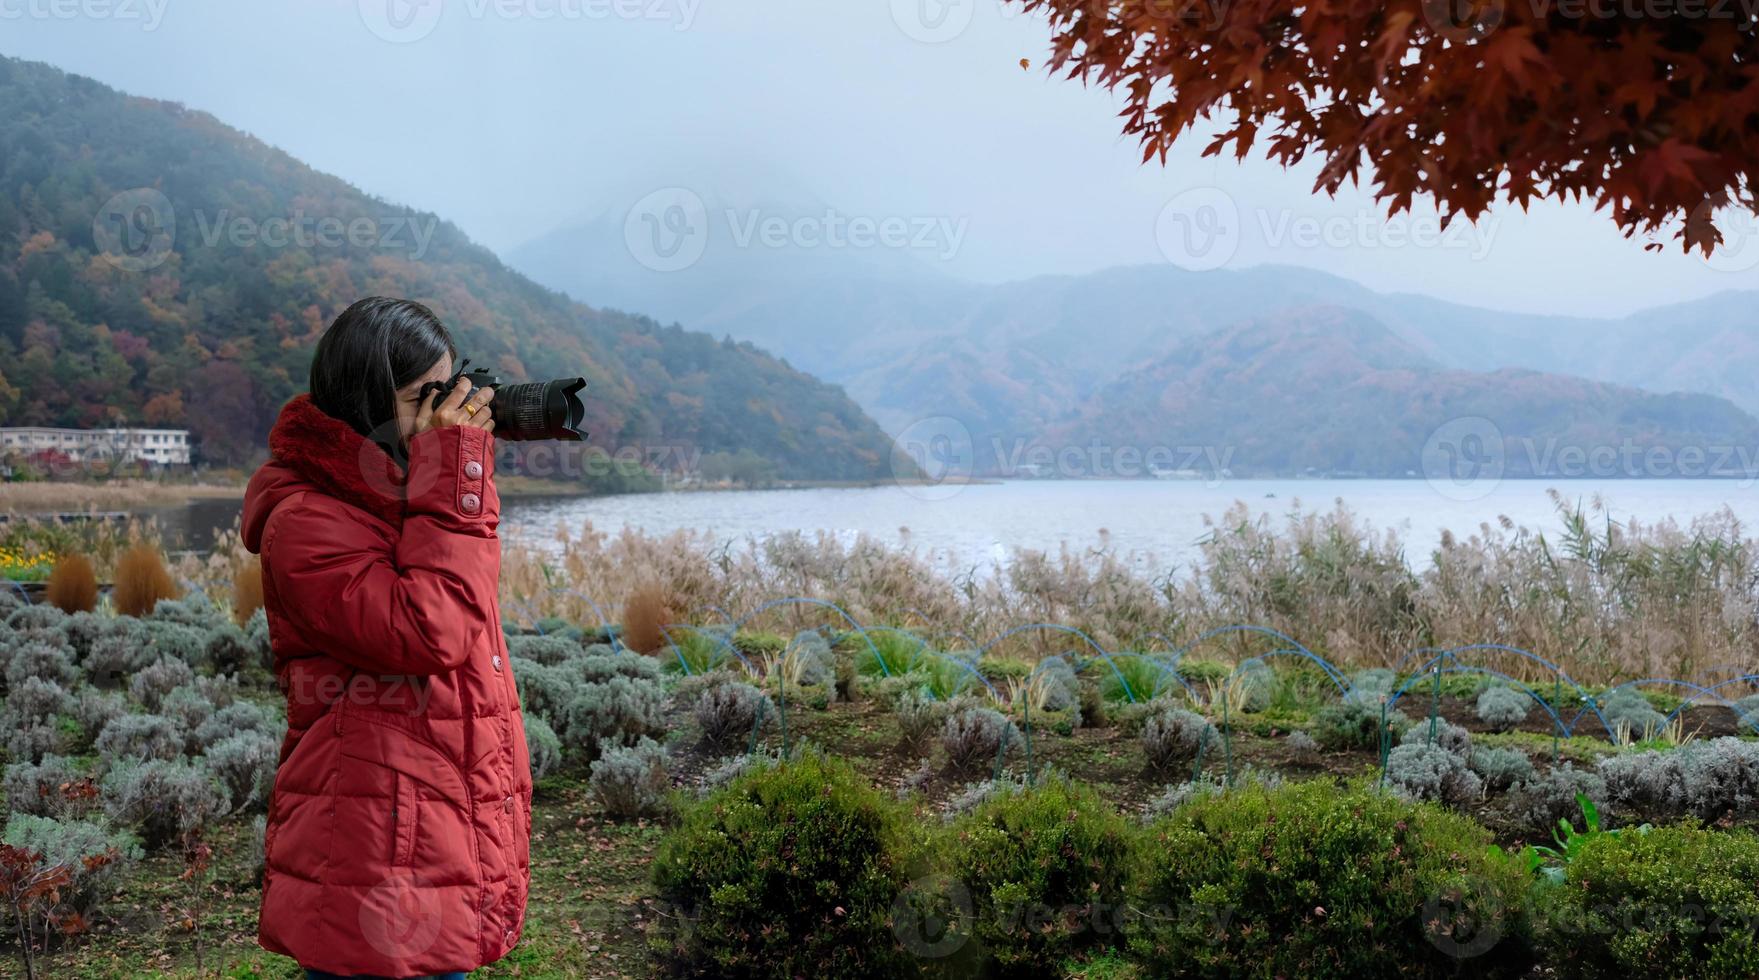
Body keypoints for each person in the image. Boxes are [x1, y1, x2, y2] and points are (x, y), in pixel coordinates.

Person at [241, 297, 531, 980]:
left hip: (432, 826)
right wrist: (453, 469)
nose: (446, 411)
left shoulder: (402, 497)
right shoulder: (306, 520)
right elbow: (428, 632)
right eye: (423, 396)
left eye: (450, 385)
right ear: (364, 400)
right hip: (374, 846)